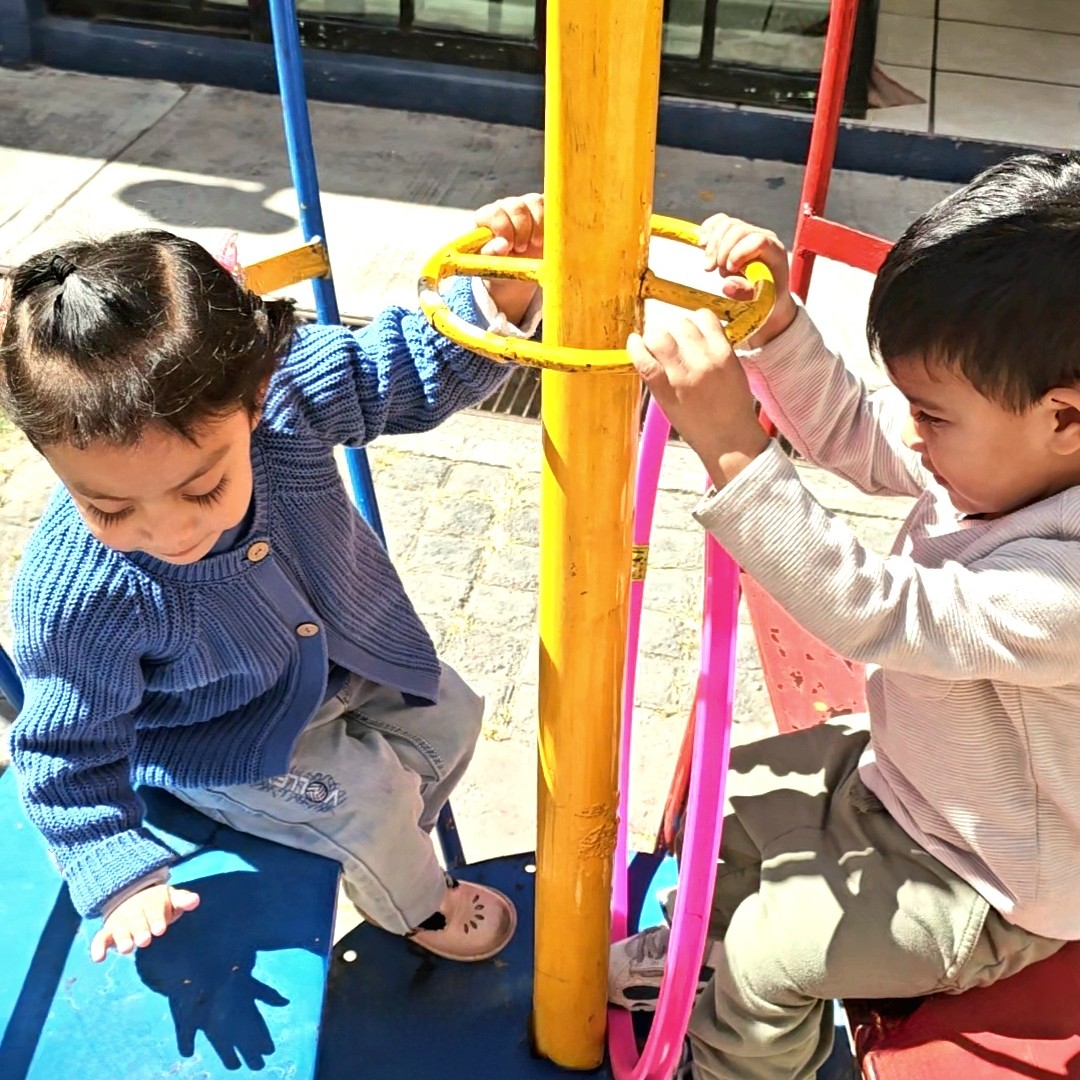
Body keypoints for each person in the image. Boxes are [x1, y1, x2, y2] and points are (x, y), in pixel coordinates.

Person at [609, 151, 1080, 1079]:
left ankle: (737, 1054)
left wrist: (741, 456)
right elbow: (858, 432)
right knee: (732, 795)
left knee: (772, 960)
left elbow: (877, 611)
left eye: (933, 417)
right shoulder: (1012, 459)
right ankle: (695, 953)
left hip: (996, 883)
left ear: (1066, 416)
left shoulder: (1065, 587)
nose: (910, 434)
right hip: (911, 779)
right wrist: (777, 326)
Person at [0, 193, 545, 965]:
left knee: (454, 713)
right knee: (374, 803)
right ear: (50, 456)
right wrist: (119, 876)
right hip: (224, 743)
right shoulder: (78, 591)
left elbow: (399, 368)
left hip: (349, 666)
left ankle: (379, 842)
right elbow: (63, 749)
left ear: (255, 399)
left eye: (201, 488)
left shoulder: (286, 396)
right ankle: (417, 905)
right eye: (111, 506)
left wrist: (499, 295)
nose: (172, 530)